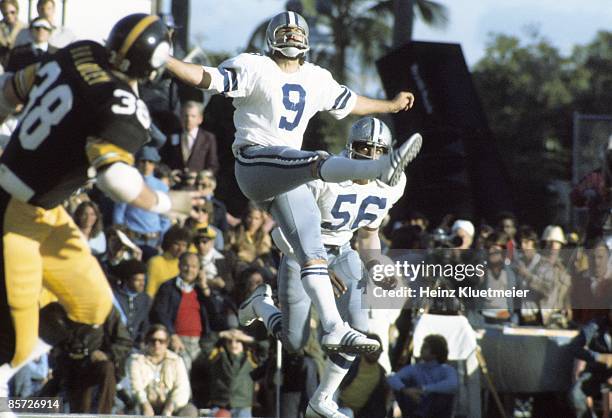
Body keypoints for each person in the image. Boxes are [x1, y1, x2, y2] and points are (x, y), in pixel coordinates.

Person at [166, 11, 422, 358]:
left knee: (311, 263)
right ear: (272, 36)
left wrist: (389, 105)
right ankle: (381, 167)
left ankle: (291, 316)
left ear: (306, 40)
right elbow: (205, 76)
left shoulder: (316, 78)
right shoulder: (254, 66)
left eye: (297, 31)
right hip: (255, 163)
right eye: (284, 30)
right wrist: (163, 58)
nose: (291, 36)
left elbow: (351, 103)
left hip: (288, 174)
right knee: (313, 159)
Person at [0, 13, 198, 396]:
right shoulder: (124, 108)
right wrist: (165, 202)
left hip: (45, 210)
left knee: (92, 308)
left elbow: (12, 89)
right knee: (17, 343)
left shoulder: (79, 53)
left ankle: (24, 384)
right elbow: (115, 178)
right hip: (12, 212)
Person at [244, 118, 408, 417]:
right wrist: (315, 264)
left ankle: (322, 399)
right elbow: (281, 232)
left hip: (344, 251)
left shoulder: (391, 185)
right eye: (363, 148)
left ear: (387, 154)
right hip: (300, 253)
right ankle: (261, 305)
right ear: (349, 147)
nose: (370, 156)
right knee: (295, 342)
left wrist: (376, 267)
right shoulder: (323, 174)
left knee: (359, 330)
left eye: (377, 150)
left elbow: (369, 235)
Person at [150, 252, 213, 373]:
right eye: (186, 265)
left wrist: (205, 286)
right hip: (177, 339)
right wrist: (172, 335)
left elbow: (214, 314)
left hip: (200, 342)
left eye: (194, 267)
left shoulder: (201, 289)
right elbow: (159, 313)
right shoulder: (168, 287)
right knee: (183, 375)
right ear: (179, 266)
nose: (189, 270)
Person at [113, 146, 171, 262]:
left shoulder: (161, 187)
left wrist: (162, 238)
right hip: (132, 238)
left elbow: (165, 216)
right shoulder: (128, 183)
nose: (146, 165)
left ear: (155, 164)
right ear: (137, 162)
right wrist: (123, 237)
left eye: (150, 162)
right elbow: (119, 213)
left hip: (154, 239)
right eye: (143, 161)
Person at [127, 324, 198, 417]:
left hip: (170, 405)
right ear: (147, 342)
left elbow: (182, 388)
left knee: (190, 411)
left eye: (161, 341)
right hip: (142, 405)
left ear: (167, 343)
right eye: (153, 340)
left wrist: (169, 408)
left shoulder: (177, 361)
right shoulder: (135, 360)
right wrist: (145, 406)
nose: (157, 344)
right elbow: (135, 387)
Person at [388, 334, 458, 418]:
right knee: (401, 386)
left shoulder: (446, 369)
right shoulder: (416, 368)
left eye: (425, 347)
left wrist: (424, 389)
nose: (421, 349)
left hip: (438, 413)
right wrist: (405, 390)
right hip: (415, 407)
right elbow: (392, 378)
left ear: (435, 353)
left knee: (440, 394)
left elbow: (452, 384)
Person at [161, 100, 220, 174]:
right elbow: (164, 161)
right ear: (180, 117)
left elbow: (213, 165)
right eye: (186, 115)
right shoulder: (171, 136)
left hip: (198, 183)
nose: (189, 119)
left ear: (200, 119)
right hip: (176, 182)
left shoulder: (208, 138)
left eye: (193, 116)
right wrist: (170, 174)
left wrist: (202, 176)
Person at [0, 0, 26, 65]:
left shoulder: (25, 28)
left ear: (17, 11)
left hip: (21, 64)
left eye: (12, 12)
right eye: (5, 13)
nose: (9, 15)